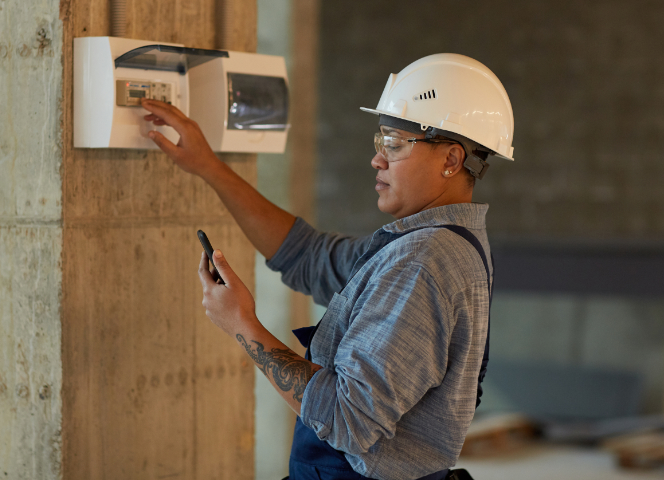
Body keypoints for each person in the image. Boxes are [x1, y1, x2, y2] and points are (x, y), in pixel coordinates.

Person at [141, 53, 515, 480]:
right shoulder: (435, 243)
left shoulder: (422, 260)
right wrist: (208, 166)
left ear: (451, 159)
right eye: (380, 142)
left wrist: (242, 324)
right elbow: (306, 254)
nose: (377, 159)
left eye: (395, 144)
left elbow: (347, 419)